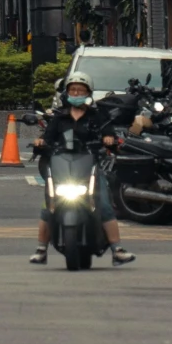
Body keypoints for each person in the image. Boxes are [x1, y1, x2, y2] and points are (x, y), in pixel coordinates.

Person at [27, 75, 134, 266]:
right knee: (48, 205)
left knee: (104, 204)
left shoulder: (97, 116)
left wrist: (109, 139)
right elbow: (48, 137)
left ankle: (117, 249)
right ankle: (41, 249)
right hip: (63, 166)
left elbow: (108, 132)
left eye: (80, 90)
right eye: (73, 90)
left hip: (89, 166)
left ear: (88, 93)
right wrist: (40, 142)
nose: (76, 93)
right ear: (67, 93)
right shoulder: (59, 117)